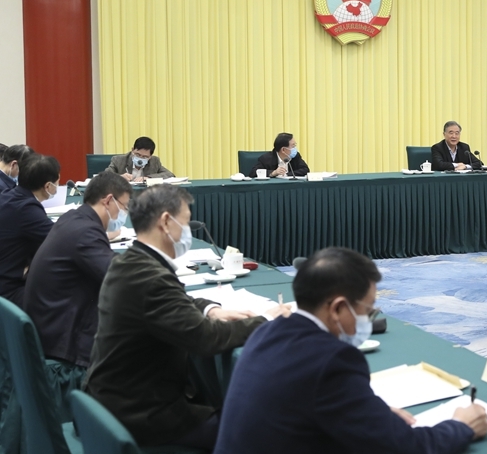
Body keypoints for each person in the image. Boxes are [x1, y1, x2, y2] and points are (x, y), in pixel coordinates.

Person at [214, 247, 487, 454]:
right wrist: (461, 426)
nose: (368, 319)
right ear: (337, 308)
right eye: (367, 311)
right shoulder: (333, 361)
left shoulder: (269, 331)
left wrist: (366, 410)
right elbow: (408, 448)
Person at [84, 184, 290, 451]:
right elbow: (206, 338)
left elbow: (173, 300)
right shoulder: (151, 277)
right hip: (141, 413)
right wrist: (266, 320)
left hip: (115, 397)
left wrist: (210, 309)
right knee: (262, 430)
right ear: (166, 222)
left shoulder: (131, 261)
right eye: (185, 221)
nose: (187, 231)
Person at [23, 172, 133, 376]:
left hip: (50, 324)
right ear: (108, 200)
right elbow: (121, 278)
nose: (125, 213)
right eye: (125, 206)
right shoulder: (86, 231)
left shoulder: (73, 217)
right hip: (63, 345)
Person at [0, 153, 58, 306]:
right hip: (8, 292)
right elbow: (60, 239)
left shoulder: (8, 195)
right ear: (48, 186)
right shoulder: (27, 209)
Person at [105, 136, 174, 181]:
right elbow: (105, 176)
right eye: (138, 154)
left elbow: (170, 175)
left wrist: (148, 178)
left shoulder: (154, 161)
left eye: (145, 157)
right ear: (132, 150)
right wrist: (120, 177)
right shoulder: (119, 160)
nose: (140, 158)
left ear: (150, 156)